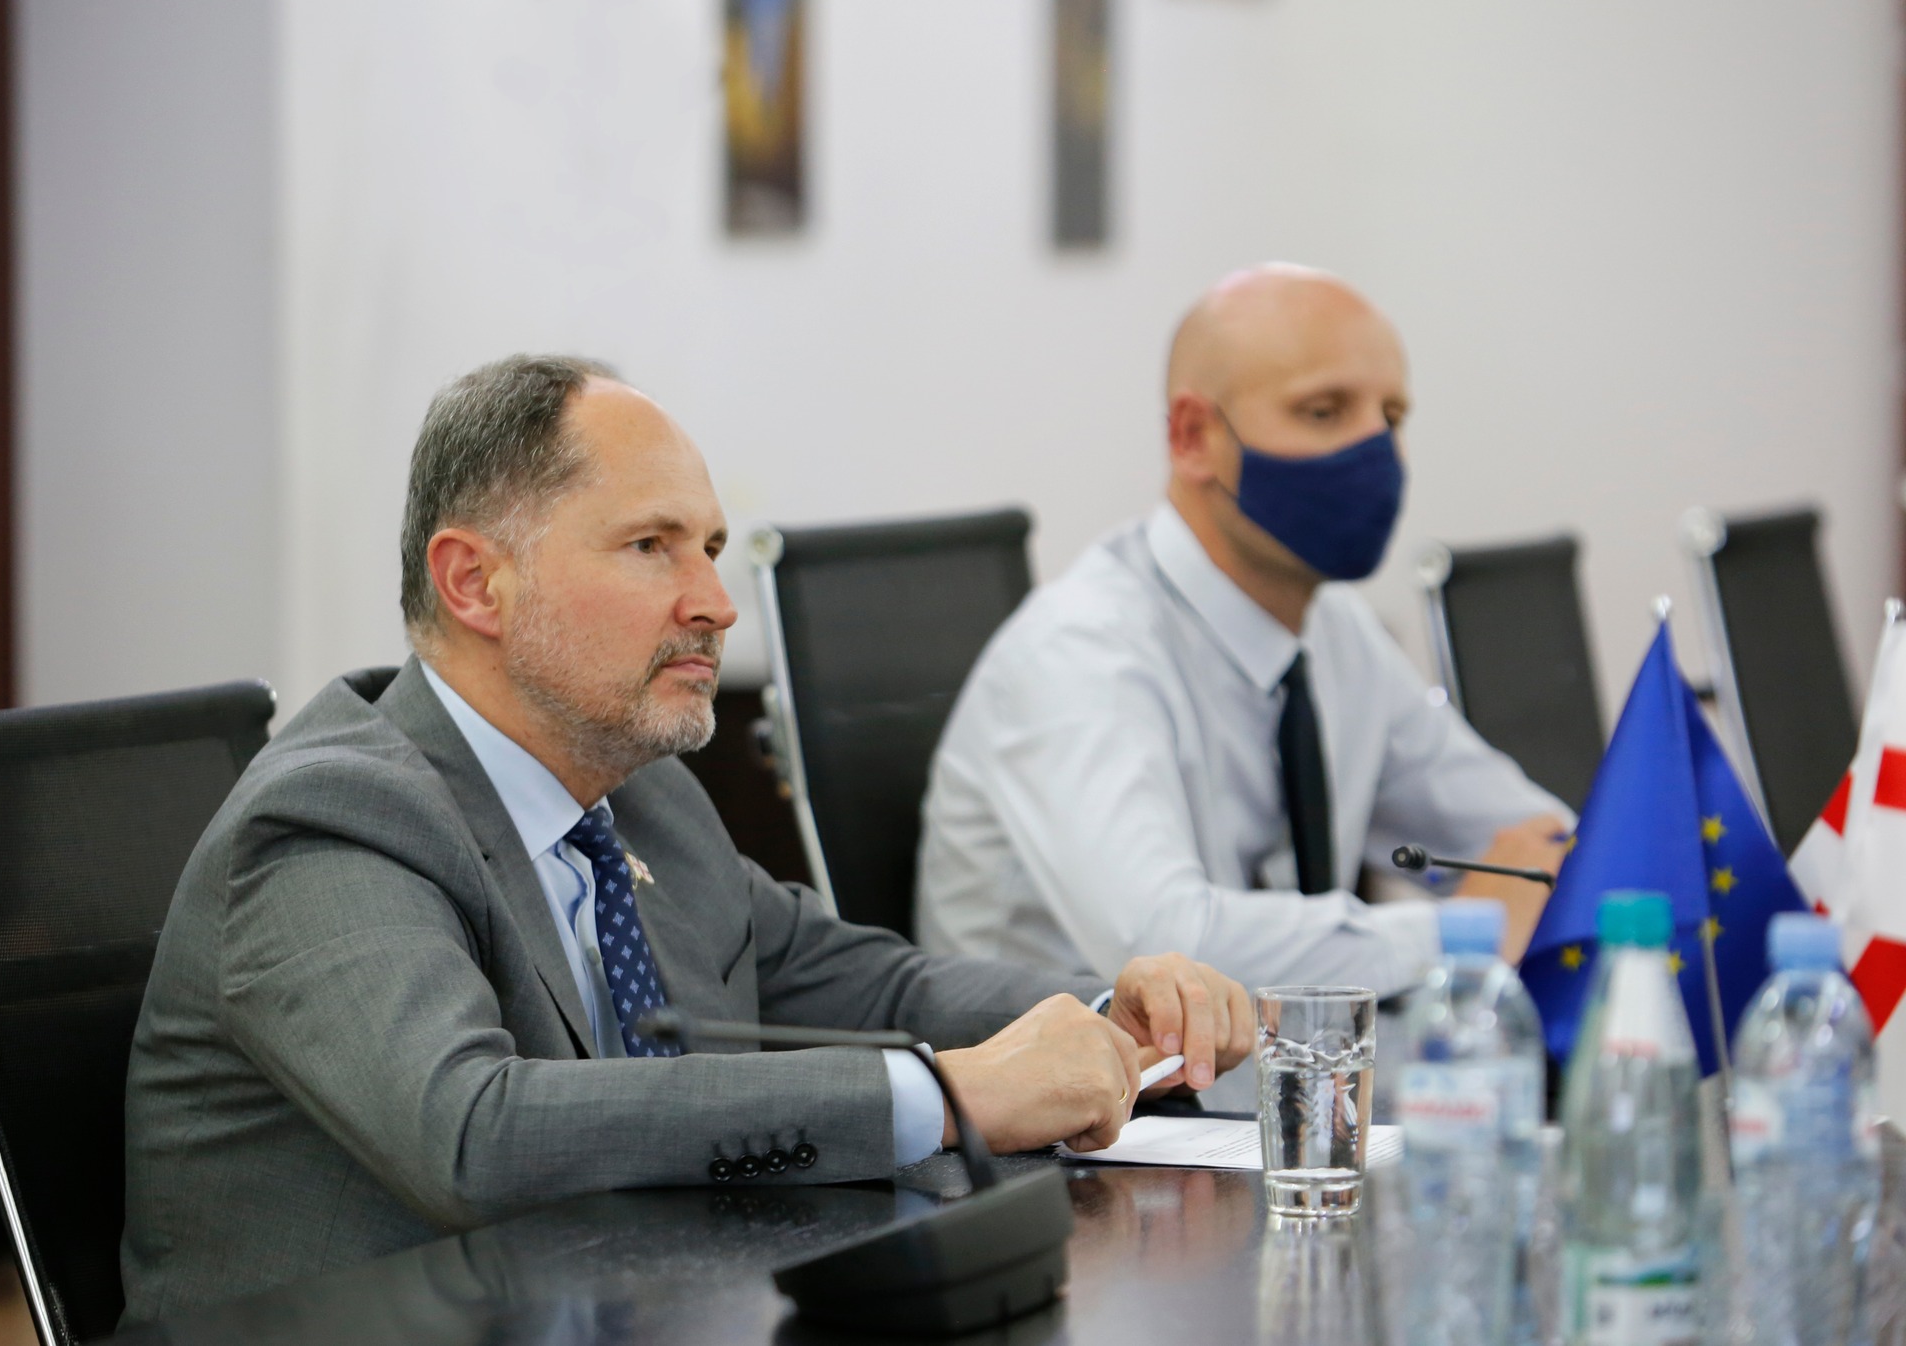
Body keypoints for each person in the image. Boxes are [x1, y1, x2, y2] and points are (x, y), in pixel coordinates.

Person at [119, 356, 1256, 1324]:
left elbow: (864, 983)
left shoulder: (642, 792)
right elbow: (475, 1135)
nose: (714, 600)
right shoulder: (331, 819)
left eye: (709, 546)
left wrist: (1104, 1021)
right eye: (651, 545)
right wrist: (943, 1096)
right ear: (474, 582)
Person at [917, 264, 1572, 1005]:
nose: (1376, 450)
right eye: (1323, 411)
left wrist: (1561, 869)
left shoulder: (1337, 633)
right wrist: (1461, 933)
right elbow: (1168, 945)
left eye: (1391, 417)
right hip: (1092, 1075)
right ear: (1193, 436)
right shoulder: (1078, 650)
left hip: (1279, 1067)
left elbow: (1531, 838)